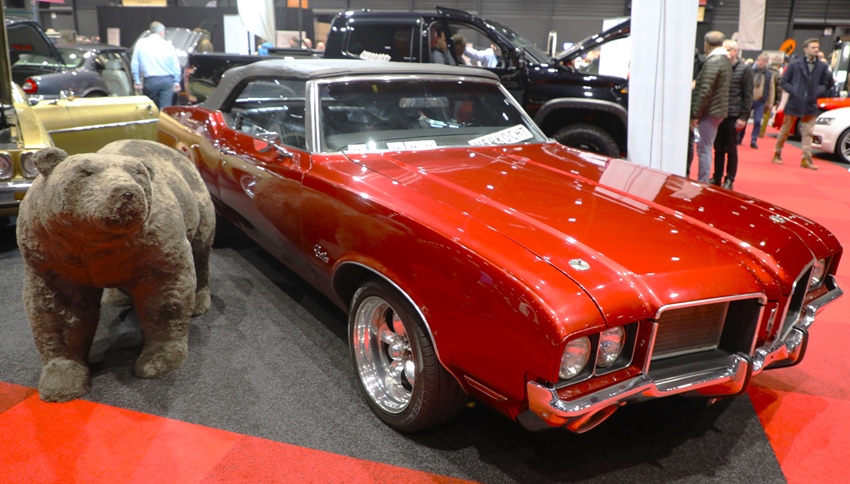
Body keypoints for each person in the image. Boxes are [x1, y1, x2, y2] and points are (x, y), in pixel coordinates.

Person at [772, 38, 833, 170]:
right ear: (806, 49)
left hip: (810, 103)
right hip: (794, 102)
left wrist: (817, 91)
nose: (816, 49)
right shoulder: (795, 64)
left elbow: (826, 83)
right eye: (813, 47)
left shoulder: (822, 67)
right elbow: (784, 82)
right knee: (785, 131)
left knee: (808, 132)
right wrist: (795, 91)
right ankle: (777, 153)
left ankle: (806, 158)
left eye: (817, 47)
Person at [689, 31, 731, 183]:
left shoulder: (714, 61)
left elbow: (705, 91)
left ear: (706, 43)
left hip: (710, 111)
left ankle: (702, 182)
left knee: (704, 149)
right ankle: (703, 180)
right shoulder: (725, 60)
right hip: (717, 110)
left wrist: (695, 114)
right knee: (705, 147)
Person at [711, 39, 753, 190]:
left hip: (734, 114)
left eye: (729, 49)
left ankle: (729, 179)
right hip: (718, 113)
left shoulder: (744, 69)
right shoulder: (720, 66)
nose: (727, 52)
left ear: (736, 51)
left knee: (731, 149)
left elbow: (748, 95)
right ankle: (717, 176)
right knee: (718, 148)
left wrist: (743, 117)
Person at [131, 21, 181, 109]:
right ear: (161, 32)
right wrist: (176, 81)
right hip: (167, 81)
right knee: (165, 109)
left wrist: (137, 81)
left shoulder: (141, 43)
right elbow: (176, 66)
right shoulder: (168, 45)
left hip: (150, 81)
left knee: (150, 108)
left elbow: (135, 64)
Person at [740, 52, 774, 148]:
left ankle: (754, 140)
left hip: (760, 101)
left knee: (758, 121)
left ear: (766, 62)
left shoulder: (769, 74)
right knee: (743, 120)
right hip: (748, 100)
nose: (761, 62)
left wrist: (770, 103)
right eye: (759, 60)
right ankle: (739, 138)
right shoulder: (750, 71)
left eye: (763, 61)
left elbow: (772, 89)